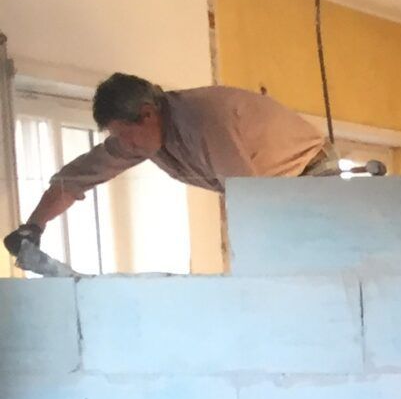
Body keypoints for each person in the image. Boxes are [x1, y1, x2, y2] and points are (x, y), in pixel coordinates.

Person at [3, 72, 341, 266]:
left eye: (126, 134)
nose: (125, 144)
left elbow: (250, 202)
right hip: (274, 192)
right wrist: (33, 227)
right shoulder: (145, 136)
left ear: (148, 114)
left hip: (312, 177)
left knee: (317, 270)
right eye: (118, 137)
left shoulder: (205, 121)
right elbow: (78, 177)